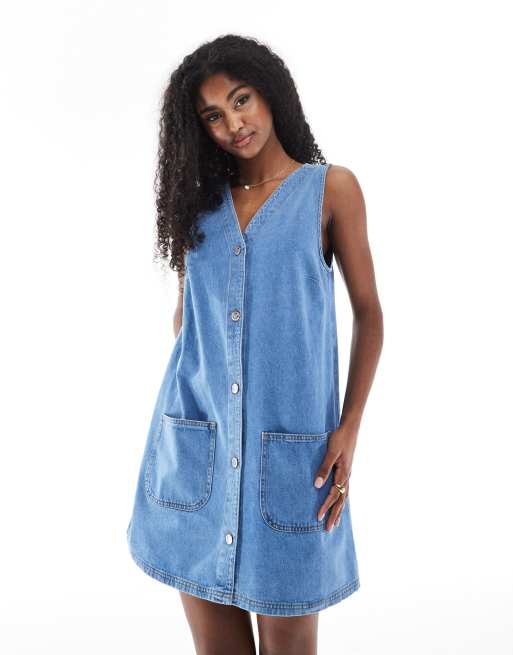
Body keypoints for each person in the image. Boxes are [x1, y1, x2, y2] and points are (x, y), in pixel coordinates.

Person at [126, 34, 384, 655]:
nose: (233, 124)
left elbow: (370, 314)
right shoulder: (196, 205)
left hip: (293, 463)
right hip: (197, 458)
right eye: (213, 115)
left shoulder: (330, 190)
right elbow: (187, 320)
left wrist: (348, 429)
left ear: (270, 94)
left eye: (241, 100)